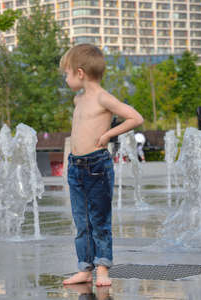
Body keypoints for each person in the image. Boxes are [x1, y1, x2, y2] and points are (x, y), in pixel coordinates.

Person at [60, 44, 143, 286]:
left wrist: (108, 135)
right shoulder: (78, 100)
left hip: (97, 165)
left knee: (99, 220)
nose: (66, 79)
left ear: (80, 73)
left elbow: (135, 117)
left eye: (67, 74)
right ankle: (85, 268)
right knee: (81, 221)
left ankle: (103, 267)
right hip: (75, 166)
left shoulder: (103, 97)